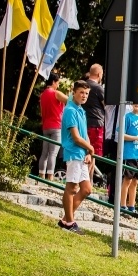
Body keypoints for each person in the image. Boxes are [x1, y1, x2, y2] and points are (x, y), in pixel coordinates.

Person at [60, 80, 95, 234]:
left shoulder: (81, 110)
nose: (84, 95)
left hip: (81, 153)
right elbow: (75, 137)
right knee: (72, 187)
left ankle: (66, 219)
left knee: (86, 189)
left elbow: (84, 134)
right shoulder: (70, 110)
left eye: (86, 93)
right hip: (73, 152)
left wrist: (88, 152)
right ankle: (69, 222)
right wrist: (90, 148)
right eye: (81, 92)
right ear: (73, 92)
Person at [38, 73, 68, 181]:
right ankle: (50, 177)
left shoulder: (42, 95)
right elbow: (70, 101)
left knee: (44, 153)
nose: (58, 86)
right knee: (53, 153)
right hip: (56, 126)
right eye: (58, 83)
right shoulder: (56, 93)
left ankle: (41, 176)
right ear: (54, 82)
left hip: (46, 126)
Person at [81, 64, 106, 181]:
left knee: (85, 152)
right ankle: (87, 181)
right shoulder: (98, 88)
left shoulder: (83, 86)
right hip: (96, 124)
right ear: (99, 74)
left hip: (83, 122)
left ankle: (88, 181)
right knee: (93, 153)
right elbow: (106, 105)